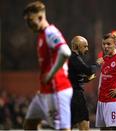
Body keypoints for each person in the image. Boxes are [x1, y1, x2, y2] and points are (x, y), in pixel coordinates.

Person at [23, 1, 72, 130]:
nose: (28, 24)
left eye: (30, 20)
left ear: (40, 17)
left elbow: (66, 51)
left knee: (62, 129)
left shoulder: (50, 32)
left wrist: (51, 74)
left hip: (57, 90)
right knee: (30, 124)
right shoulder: (41, 35)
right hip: (45, 91)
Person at [68, 36, 100, 130]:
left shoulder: (70, 58)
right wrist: (97, 64)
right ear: (76, 46)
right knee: (84, 123)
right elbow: (88, 70)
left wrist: (89, 78)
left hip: (69, 94)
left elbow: (78, 78)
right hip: (76, 95)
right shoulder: (74, 58)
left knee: (69, 124)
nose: (87, 49)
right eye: (84, 46)